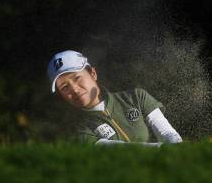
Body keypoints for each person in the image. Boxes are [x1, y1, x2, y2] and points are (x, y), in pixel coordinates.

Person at [47, 50, 183, 146]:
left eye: (77, 78)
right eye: (65, 87)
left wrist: (176, 148)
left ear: (92, 73)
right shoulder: (75, 128)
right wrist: (162, 150)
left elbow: (167, 132)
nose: (74, 89)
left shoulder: (136, 97)